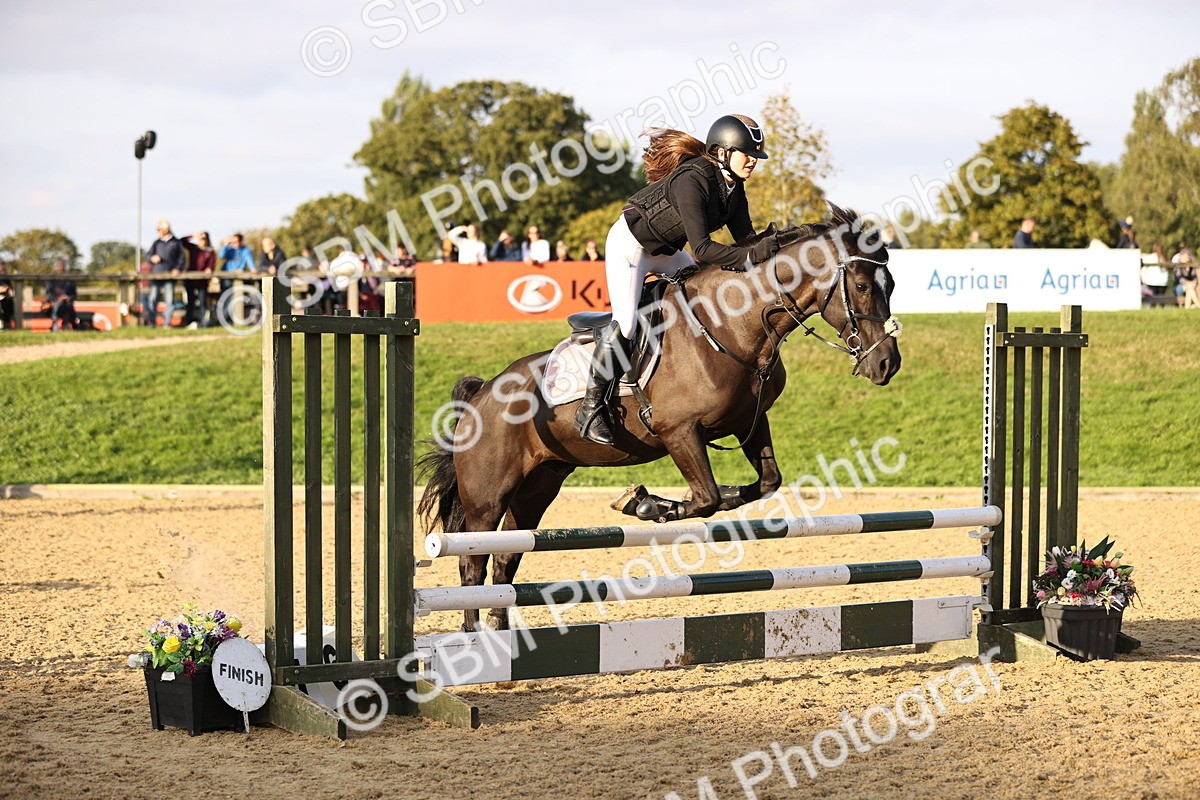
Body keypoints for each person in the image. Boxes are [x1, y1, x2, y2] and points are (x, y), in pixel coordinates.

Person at [576, 114, 775, 446]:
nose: (753, 161)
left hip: (667, 251)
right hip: (631, 247)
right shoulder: (693, 180)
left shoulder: (733, 188)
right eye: (747, 154)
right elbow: (703, 249)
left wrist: (774, 248)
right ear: (723, 152)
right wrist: (752, 255)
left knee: (700, 295)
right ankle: (591, 407)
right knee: (626, 324)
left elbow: (746, 241)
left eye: (756, 156)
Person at [146, 219, 185, 328]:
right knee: (153, 298)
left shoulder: (176, 243)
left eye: (159, 229)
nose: (158, 231)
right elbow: (148, 255)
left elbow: (181, 259)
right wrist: (152, 258)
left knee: (169, 300)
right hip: (156, 275)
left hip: (169, 276)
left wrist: (177, 269)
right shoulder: (156, 242)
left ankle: (166, 323)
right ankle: (152, 322)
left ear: (166, 230)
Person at [181, 232, 214, 328]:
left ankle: (202, 322)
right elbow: (182, 241)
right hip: (190, 279)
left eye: (203, 239)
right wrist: (193, 236)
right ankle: (189, 321)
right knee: (190, 301)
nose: (201, 241)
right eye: (200, 239)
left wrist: (209, 269)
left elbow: (211, 264)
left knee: (202, 301)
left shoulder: (210, 252)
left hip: (202, 281)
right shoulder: (193, 248)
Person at [43, 260, 78, 331]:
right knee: (59, 305)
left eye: (62, 268)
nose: (61, 269)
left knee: (66, 306)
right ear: (56, 268)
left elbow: (74, 294)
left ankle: (57, 324)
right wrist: (58, 298)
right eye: (59, 267)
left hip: (67, 303)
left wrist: (68, 297)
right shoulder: (50, 280)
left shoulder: (70, 280)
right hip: (54, 303)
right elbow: (48, 294)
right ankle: (61, 324)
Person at [0, 261, 15, 330]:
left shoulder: (6, 278)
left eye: (3, 265)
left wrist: (7, 289)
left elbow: (10, 288)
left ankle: (6, 327)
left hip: (5, 298)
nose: (3, 267)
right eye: (1, 266)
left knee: (8, 302)